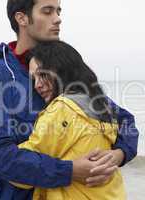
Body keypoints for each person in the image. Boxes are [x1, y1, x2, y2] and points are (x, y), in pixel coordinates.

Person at [0, 0, 139, 199]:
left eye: (58, 11)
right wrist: (70, 170)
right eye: (48, 11)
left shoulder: (63, 69)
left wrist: (118, 154)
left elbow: (122, 120)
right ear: (22, 18)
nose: (57, 19)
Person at [10, 40, 127, 199]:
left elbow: (22, 170)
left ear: (62, 70)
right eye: (34, 79)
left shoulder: (61, 109)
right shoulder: (103, 106)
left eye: (42, 74)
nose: (37, 85)